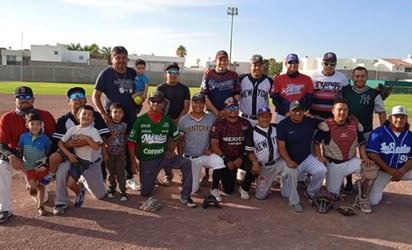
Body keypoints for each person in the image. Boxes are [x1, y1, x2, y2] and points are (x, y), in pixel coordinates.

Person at [128, 91, 196, 208]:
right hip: (147, 159)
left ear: (163, 104)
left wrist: (171, 149)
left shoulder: (167, 120)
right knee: (145, 193)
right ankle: (152, 177)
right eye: (153, 100)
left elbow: (177, 136)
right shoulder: (141, 120)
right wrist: (133, 162)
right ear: (149, 102)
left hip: (163, 157)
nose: (156, 103)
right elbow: (131, 142)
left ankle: (185, 195)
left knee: (186, 162)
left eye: (159, 101)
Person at [48, 87, 110, 216]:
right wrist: (70, 146)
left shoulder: (94, 116)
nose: (77, 99)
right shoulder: (64, 120)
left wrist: (88, 141)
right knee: (61, 171)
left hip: (92, 161)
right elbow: (58, 144)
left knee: (100, 195)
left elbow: (103, 138)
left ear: (85, 99)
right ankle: (60, 202)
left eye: (81, 96)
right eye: (74, 97)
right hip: (72, 159)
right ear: (68, 101)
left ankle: (82, 181)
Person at [0, 86, 55, 224]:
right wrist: (11, 156)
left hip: (38, 161)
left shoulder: (46, 116)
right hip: (17, 160)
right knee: (1, 166)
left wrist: (45, 162)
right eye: (20, 97)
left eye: (27, 97)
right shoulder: (7, 118)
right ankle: (4, 209)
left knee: (44, 198)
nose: (24, 100)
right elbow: (1, 143)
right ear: (14, 100)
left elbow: (54, 141)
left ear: (33, 99)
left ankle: (32, 184)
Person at [313, 98, 378, 214]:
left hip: (351, 162)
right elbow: (316, 143)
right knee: (333, 196)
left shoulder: (355, 125)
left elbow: (362, 144)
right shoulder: (326, 125)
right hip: (334, 165)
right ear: (333, 111)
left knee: (371, 168)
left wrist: (365, 158)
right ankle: (342, 184)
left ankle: (362, 197)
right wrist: (319, 156)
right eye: (339, 110)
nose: (342, 112)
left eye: (345, 110)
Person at [92, 46, 140, 191]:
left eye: (124, 58)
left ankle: (129, 177)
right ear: (112, 59)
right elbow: (95, 96)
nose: (121, 61)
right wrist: (103, 113)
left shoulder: (132, 73)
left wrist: (139, 102)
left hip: (130, 117)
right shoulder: (106, 74)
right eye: (117, 58)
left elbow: (141, 90)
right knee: (108, 145)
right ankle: (105, 177)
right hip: (111, 119)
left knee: (127, 145)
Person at [244, 107, 301, 210]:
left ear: (271, 117)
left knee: (292, 169)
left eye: (267, 116)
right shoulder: (252, 132)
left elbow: (291, 124)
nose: (265, 119)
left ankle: (294, 202)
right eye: (262, 116)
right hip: (264, 167)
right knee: (260, 196)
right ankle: (270, 181)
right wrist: (255, 162)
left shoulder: (277, 128)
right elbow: (249, 151)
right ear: (258, 118)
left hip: (278, 162)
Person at [342, 66, 386, 192]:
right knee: (346, 156)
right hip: (347, 130)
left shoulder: (374, 93)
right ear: (352, 77)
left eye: (362, 76)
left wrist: (384, 131)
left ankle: (362, 186)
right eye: (357, 76)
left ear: (367, 77)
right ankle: (348, 182)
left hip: (366, 131)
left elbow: (381, 112)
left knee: (366, 159)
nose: (360, 79)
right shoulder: (345, 90)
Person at [277, 100, 326, 207]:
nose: (298, 113)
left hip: (305, 158)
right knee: (286, 194)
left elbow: (328, 122)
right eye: (295, 111)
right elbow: (281, 147)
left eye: (300, 110)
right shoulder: (283, 124)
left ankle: (311, 192)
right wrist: (289, 161)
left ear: (304, 111)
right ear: (290, 111)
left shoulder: (309, 121)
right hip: (290, 161)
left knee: (322, 170)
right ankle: (285, 180)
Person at [178, 93, 225, 193]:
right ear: (192, 103)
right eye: (195, 102)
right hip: (190, 157)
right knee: (193, 190)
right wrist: (181, 158)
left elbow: (217, 135)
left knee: (220, 162)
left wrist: (212, 150)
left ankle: (214, 189)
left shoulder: (211, 118)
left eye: (201, 103)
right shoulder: (184, 120)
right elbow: (180, 140)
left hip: (205, 155)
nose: (198, 105)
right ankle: (188, 176)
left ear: (204, 104)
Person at [57, 105, 103, 208]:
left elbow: (96, 147)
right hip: (74, 158)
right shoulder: (73, 129)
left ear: (93, 119)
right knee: (70, 183)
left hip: (84, 161)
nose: (86, 116)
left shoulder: (93, 131)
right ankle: (80, 192)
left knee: (100, 195)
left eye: (89, 115)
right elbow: (60, 143)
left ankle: (81, 189)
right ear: (78, 116)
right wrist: (68, 154)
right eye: (84, 114)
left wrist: (87, 139)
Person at [367, 105, 412, 206]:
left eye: (402, 117)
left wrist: (402, 171)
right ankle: (359, 186)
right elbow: (372, 154)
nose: (399, 119)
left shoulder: (410, 136)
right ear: (390, 118)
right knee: (372, 201)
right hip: (383, 171)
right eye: (396, 116)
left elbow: (411, 158)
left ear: (406, 119)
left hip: (401, 171)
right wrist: (389, 170)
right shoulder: (379, 132)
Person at [210, 97, 252, 201]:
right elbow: (214, 145)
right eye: (230, 107)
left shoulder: (245, 123)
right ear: (225, 110)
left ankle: (244, 188)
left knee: (254, 164)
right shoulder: (219, 123)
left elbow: (250, 144)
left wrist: (241, 158)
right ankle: (214, 188)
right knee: (228, 190)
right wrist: (226, 160)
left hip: (240, 157)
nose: (233, 109)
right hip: (225, 158)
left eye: (235, 106)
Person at [157, 62, 191, 185]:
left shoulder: (184, 89)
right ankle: (168, 173)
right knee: (167, 147)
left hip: (180, 121)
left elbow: (186, 107)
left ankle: (183, 171)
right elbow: (157, 106)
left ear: (179, 74)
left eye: (175, 72)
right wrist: (168, 121)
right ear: (165, 74)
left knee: (180, 145)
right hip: (165, 122)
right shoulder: (160, 88)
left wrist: (177, 120)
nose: (173, 75)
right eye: (170, 72)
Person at [17, 112, 51, 216]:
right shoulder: (23, 137)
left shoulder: (45, 138)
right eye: (32, 124)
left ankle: (41, 206)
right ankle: (31, 186)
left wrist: (45, 163)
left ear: (41, 125)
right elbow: (20, 149)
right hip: (29, 166)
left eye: (38, 124)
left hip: (41, 166)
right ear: (27, 125)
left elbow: (47, 151)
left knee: (41, 186)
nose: (35, 127)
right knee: (32, 184)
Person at [271, 53, 313, 123]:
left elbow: (309, 100)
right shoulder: (278, 79)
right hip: (283, 115)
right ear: (286, 64)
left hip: (299, 116)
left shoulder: (307, 79)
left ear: (298, 64)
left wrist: (300, 112)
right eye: (290, 62)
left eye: (295, 62)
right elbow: (275, 100)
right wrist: (285, 112)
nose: (293, 65)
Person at [200, 50, 241, 119]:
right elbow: (204, 96)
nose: (222, 62)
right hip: (211, 112)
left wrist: (225, 111)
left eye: (225, 60)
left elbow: (237, 94)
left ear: (228, 62)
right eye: (220, 60)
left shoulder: (233, 75)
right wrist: (216, 112)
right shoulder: (209, 74)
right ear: (215, 61)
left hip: (229, 112)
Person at [310, 52, 349, 119]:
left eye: (332, 63)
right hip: (315, 114)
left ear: (335, 64)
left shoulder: (342, 77)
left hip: (334, 116)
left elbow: (347, 95)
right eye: (326, 63)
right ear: (322, 63)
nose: (329, 66)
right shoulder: (314, 76)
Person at [239, 55, 274, 126]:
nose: (257, 68)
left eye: (260, 65)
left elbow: (276, 99)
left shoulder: (269, 81)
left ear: (263, 67)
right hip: (244, 119)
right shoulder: (241, 79)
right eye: (254, 65)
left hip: (261, 120)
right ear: (250, 66)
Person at [104, 103, 128, 201]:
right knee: (110, 172)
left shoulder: (124, 125)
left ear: (123, 114)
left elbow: (125, 137)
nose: (117, 114)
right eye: (115, 112)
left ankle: (123, 190)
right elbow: (104, 138)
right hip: (109, 153)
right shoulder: (107, 125)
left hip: (120, 153)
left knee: (120, 172)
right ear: (110, 113)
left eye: (120, 112)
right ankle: (112, 189)